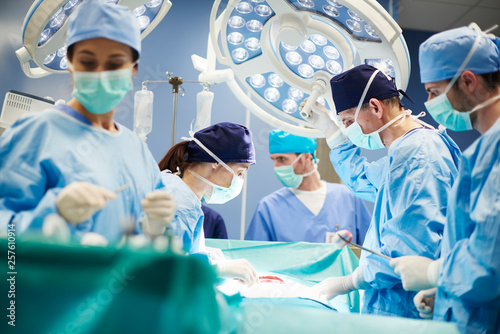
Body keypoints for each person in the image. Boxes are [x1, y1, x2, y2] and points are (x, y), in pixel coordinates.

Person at [0, 0, 175, 241]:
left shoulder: (136, 150)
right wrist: (53, 214)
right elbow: (5, 237)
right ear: (70, 64)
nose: (101, 73)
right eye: (88, 62)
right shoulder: (35, 134)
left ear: (133, 68)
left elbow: (143, 245)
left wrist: (156, 230)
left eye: (115, 63)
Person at [302, 64, 462, 318]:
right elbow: (364, 178)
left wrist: (351, 281)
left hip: (408, 309)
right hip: (397, 305)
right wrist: (330, 131)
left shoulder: (419, 155)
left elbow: (410, 248)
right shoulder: (405, 150)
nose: (346, 129)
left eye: (346, 121)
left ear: (376, 107)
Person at [390, 24, 500, 333]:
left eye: (434, 93)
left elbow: (490, 264)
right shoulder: (481, 153)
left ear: (467, 81)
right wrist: (448, 293)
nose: (429, 104)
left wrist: (436, 271)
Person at [158, 122, 258, 285]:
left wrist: (204, 256)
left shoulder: (184, 195)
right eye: (239, 172)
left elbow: (181, 254)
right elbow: (166, 272)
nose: (239, 180)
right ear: (216, 162)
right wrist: (217, 269)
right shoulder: (178, 204)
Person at [245, 129, 371, 243]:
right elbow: (256, 257)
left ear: (306, 157)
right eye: (274, 160)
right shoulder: (269, 208)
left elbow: (371, 249)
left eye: (282, 159)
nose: (276, 167)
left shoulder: (348, 198)